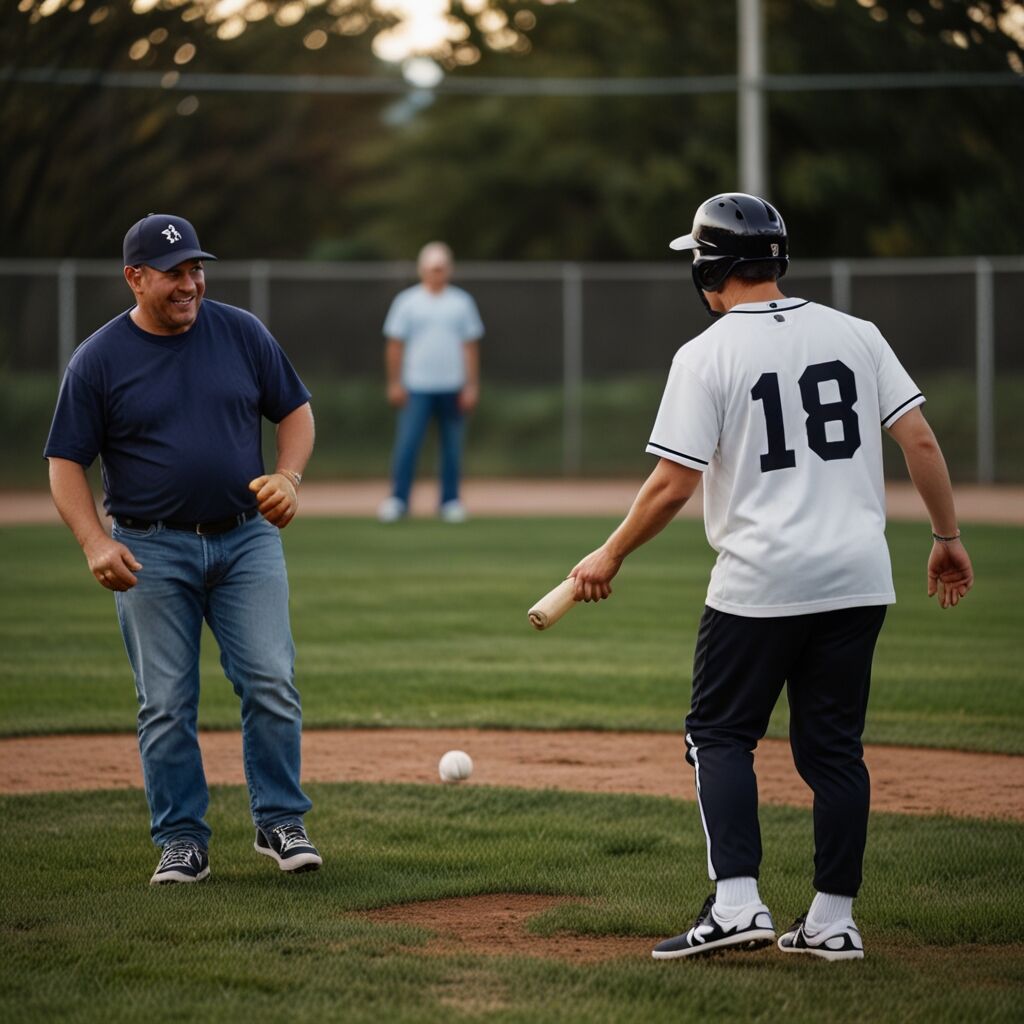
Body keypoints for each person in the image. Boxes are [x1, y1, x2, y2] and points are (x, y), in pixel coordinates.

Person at [569, 193, 973, 961]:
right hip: (858, 578)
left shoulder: (707, 352)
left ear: (708, 269)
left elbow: (671, 485)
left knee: (718, 734)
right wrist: (946, 536)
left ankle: (738, 904)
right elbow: (918, 437)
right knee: (834, 752)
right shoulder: (858, 334)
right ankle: (832, 920)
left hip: (760, 580)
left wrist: (610, 553)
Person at [44, 214, 323, 885]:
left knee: (271, 682)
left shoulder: (241, 332)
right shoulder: (99, 359)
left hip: (246, 539)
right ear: (134, 278)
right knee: (166, 702)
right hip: (150, 551)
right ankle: (181, 840)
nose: (191, 283)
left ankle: (280, 821)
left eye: (197, 269)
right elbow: (64, 462)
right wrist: (93, 541)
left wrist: (288, 476)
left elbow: (295, 411)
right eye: (174, 272)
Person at [377, 241, 484, 524]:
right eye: (432, 268)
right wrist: (394, 382)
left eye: (441, 268)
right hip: (417, 386)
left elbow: (470, 347)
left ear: (448, 269)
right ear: (422, 269)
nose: (437, 273)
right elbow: (395, 345)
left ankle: (450, 500)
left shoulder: (461, 303)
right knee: (408, 444)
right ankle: (399, 499)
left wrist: (471, 385)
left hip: (452, 386)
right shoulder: (407, 302)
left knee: (452, 447)